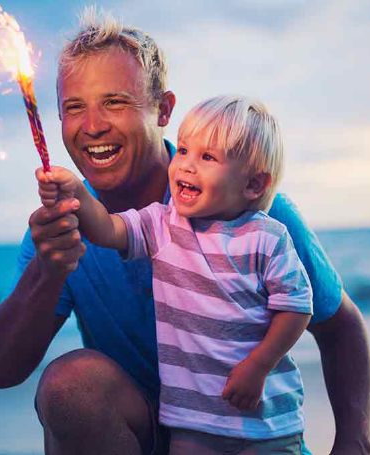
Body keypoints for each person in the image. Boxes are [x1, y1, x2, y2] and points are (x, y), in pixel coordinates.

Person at [0, 9, 370, 455]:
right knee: (72, 387)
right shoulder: (63, 227)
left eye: (115, 102)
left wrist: (354, 442)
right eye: (74, 107)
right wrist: (48, 272)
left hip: (249, 437)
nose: (92, 126)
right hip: (151, 433)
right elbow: (2, 369)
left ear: (163, 109)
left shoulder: (250, 213)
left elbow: (339, 325)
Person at [38, 95, 313, 454]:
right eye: (183, 150)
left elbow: (296, 307)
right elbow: (107, 229)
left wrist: (259, 365)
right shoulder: (162, 223)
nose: (186, 166)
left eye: (208, 157)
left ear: (254, 185)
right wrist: (75, 192)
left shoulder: (267, 237)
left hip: (266, 425)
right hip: (191, 424)